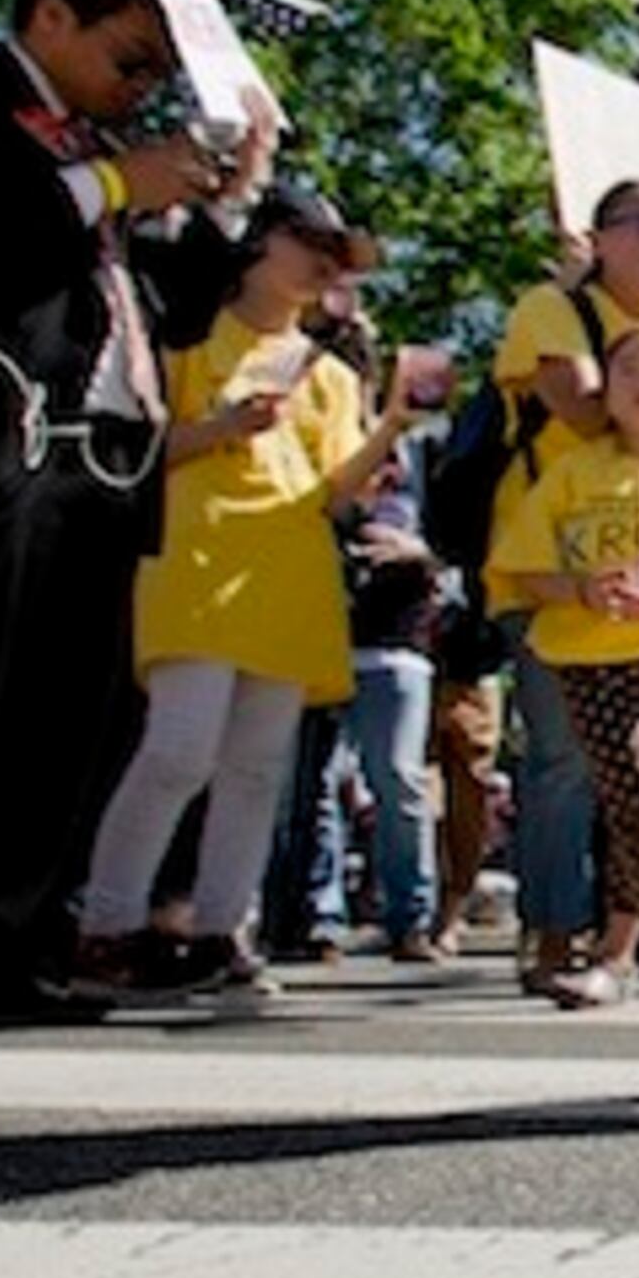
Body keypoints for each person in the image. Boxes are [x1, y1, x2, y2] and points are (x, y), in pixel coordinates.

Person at [0, 0, 267, 1024]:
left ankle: (4, 942)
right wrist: (114, 187)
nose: (144, 85)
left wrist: (225, 201)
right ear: (52, 16)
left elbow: (179, 315)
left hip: (100, 468)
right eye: (130, 56)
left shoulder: (107, 151)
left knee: (69, 720)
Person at [78, 187, 427, 995]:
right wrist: (220, 431)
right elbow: (131, 451)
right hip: (196, 559)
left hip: (289, 570)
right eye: (308, 241)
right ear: (261, 240)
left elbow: (334, 493)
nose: (321, 263)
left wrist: (390, 429)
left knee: (257, 768)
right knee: (178, 752)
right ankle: (106, 926)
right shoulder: (192, 336)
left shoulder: (333, 375)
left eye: (334, 252)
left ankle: (220, 930)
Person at [482, 178, 639, 996]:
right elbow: (582, 413)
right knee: (567, 758)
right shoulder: (553, 311)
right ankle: (556, 928)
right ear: (597, 239)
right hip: (560, 557)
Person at [486, 324, 639, 1009]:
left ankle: (616, 956)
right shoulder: (572, 472)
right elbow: (523, 566)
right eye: (627, 371)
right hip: (586, 659)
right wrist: (584, 590)